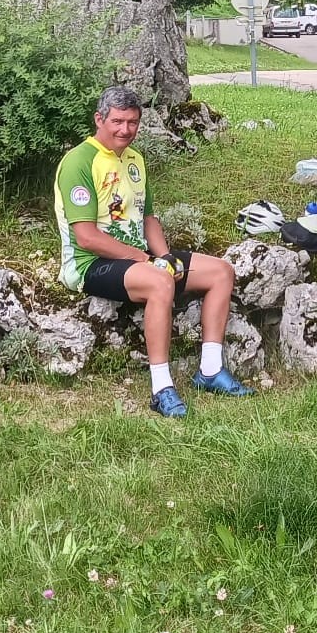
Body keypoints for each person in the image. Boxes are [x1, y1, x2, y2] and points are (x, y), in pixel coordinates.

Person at [54, 86, 254, 417]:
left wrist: (163, 256)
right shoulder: (79, 161)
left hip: (139, 260)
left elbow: (147, 218)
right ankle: (162, 389)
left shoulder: (135, 160)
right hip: (91, 264)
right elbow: (87, 238)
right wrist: (146, 260)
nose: (125, 130)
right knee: (161, 281)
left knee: (221, 272)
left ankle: (210, 371)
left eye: (133, 122)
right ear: (99, 120)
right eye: (117, 121)